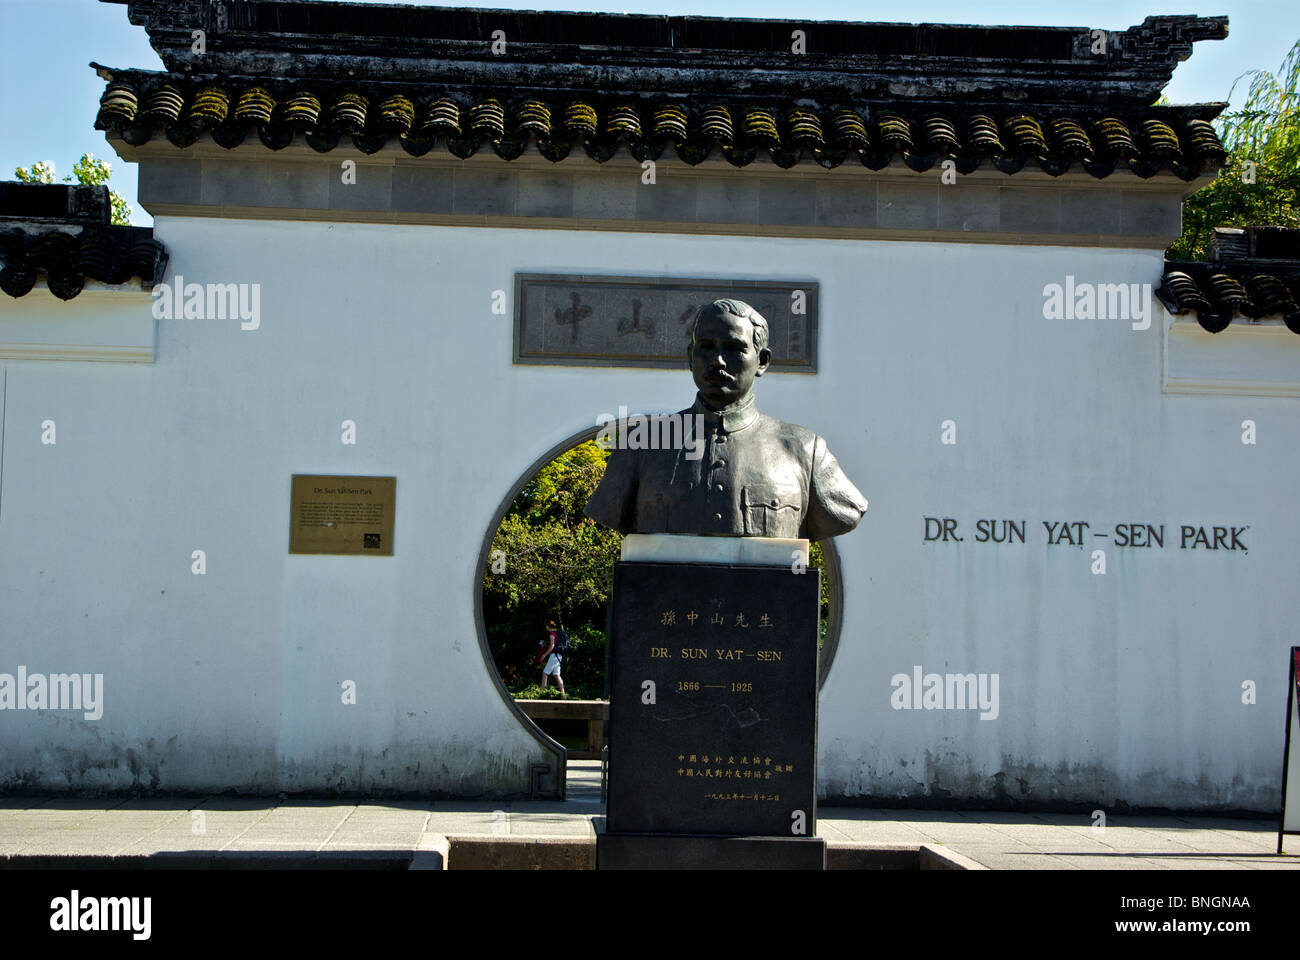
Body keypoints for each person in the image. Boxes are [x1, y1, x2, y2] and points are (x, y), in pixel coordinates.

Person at [584, 299, 867, 539]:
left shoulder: (805, 449)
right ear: (690, 357)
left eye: (734, 348)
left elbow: (844, 514)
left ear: (762, 361)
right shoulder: (641, 445)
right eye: (706, 347)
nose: (718, 361)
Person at [538, 619, 565, 695]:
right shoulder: (556, 633)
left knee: (545, 673)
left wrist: (544, 655)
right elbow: (553, 645)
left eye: (546, 626)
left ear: (547, 626)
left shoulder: (552, 634)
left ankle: (541, 692)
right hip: (559, 656)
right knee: (556, 675)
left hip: (554, 656)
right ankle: (563, 694)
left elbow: (552, 646)